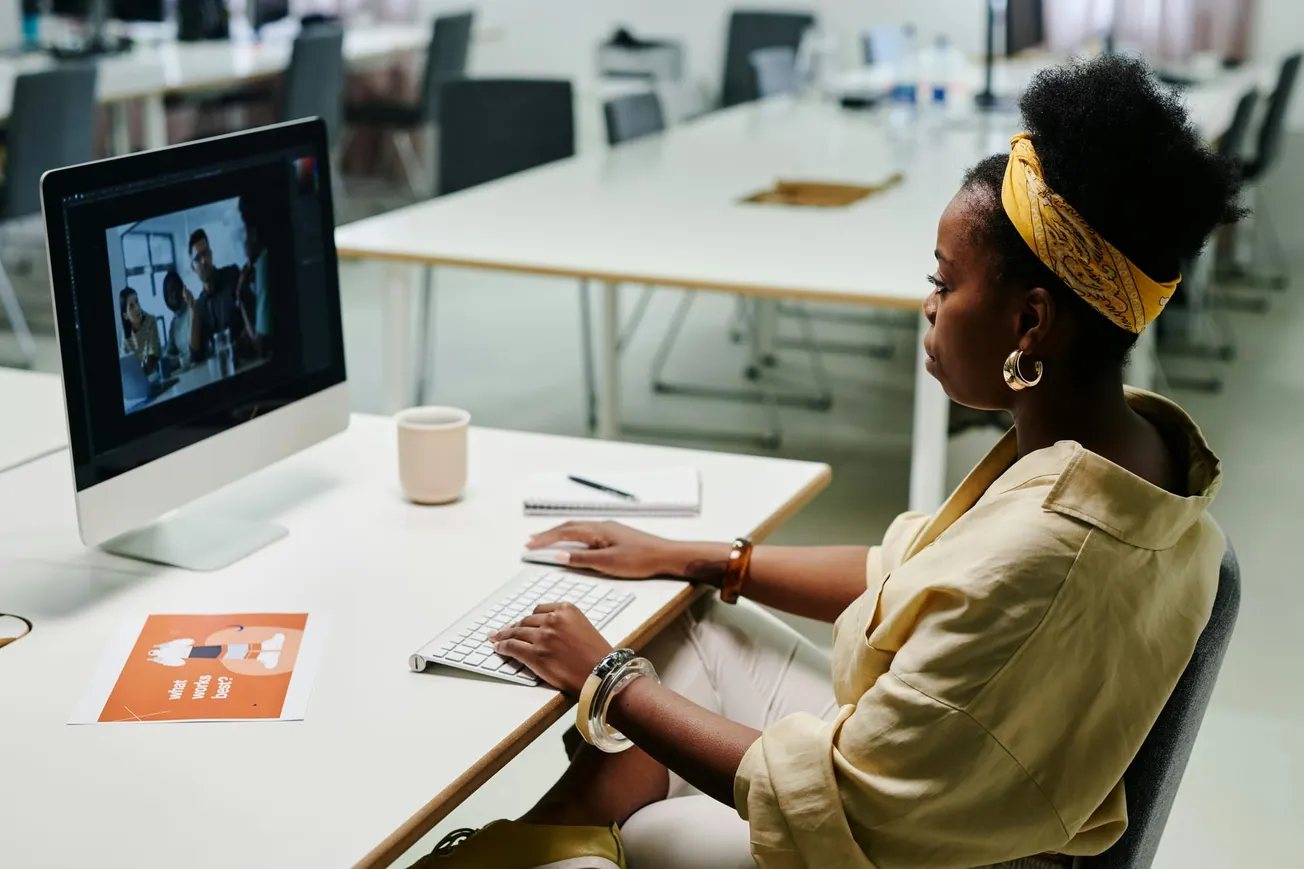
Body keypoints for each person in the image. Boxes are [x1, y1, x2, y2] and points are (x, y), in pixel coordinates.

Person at [417, 55, 1244, 869]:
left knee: (650, 834)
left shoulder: (1053, 549)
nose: (928, 304)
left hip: (941, 847)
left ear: (1031, 323)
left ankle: (561, 847)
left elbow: (849, 800)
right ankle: (542, 838)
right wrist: (703, 558)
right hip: (949, 767)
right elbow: (908, 570)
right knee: (688, 627)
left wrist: (606, 678)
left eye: (944, 282)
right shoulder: (1123, 448)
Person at [188, 228, 256, 364]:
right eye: (197, 258)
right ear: (193, 268)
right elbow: (196, 355)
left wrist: (238, 345)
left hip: (251, 358)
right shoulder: (200, 305)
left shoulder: (233, 275)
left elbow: (255, 315)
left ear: (211, 255)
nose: (203, 261)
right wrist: (193, 313)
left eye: (205, 253)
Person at [238, 194, 273, 357]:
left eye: (242, 233)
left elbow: (260, 346)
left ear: (252, 233)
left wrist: (241, 297)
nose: (242, 244)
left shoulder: (263, 263)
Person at [119, 288, 162, 375]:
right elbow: (125, 364)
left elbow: (153, 357)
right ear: (125, 315)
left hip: (156, 374)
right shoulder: (126, 335)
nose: (137, 308)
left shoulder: (150, 321)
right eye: (131, 306)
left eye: (137, 302)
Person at [161, 270, 195, 368]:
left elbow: (193, 353)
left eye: (175, 290)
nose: (173, 296)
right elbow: (168, 353)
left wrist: (178, 360)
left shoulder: (193, 310)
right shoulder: (174, 324)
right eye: (169, 293)